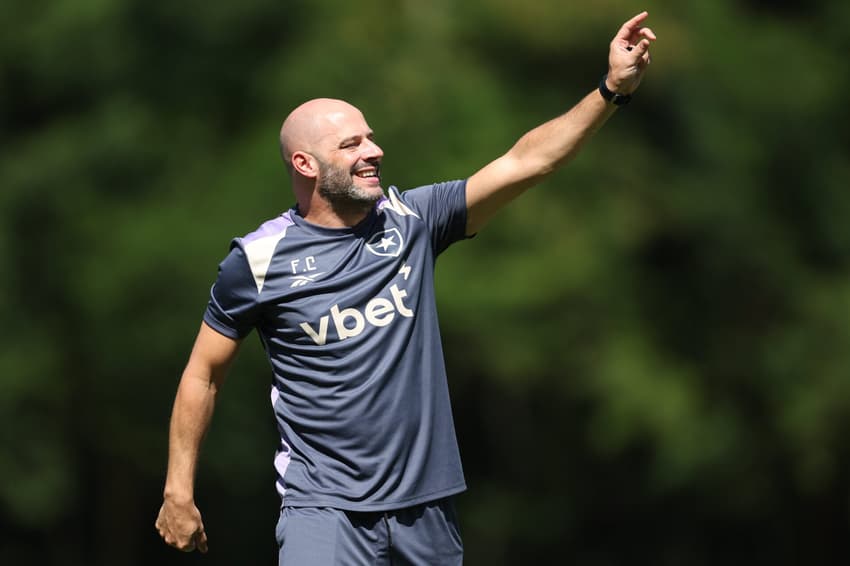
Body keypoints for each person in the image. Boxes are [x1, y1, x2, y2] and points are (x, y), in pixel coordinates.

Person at [155, 11, 655, 565]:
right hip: (325, 512)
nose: (374, 151)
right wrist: (179, 489)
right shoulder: (256, 260)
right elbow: (203, 372)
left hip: (428, 510)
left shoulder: (411, 220)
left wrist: (611, 90)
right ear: (306, 163)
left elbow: (526, 163)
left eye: (370, 137)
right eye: (351, 144)